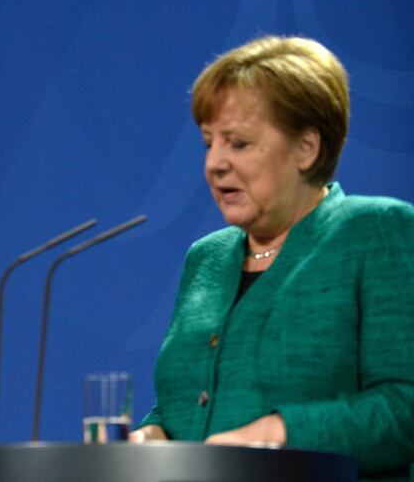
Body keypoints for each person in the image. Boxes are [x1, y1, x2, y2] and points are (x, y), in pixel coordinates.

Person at [129, 36, 414, 481]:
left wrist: (275, 434)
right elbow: (187, 400)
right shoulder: (207, 258)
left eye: (238, 143)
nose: (215, 163)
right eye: (209, 143)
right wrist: (152, 436)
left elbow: (404, 409)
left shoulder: (375, 230)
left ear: (307, 148)